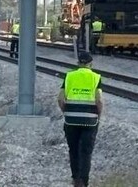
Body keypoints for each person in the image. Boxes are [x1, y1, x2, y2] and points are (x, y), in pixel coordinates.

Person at [58, 51, 103, 187]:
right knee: (86, 151)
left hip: (71, 119)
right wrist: (98, 115)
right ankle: (84, 181)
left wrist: (65, 111)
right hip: (90, 120)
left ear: (78, 63)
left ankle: (75, 178)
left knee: (73, 150)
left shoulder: (69, 76)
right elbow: (99, 100)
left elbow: (60, 98)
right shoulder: (96, 77)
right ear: (90, 64)